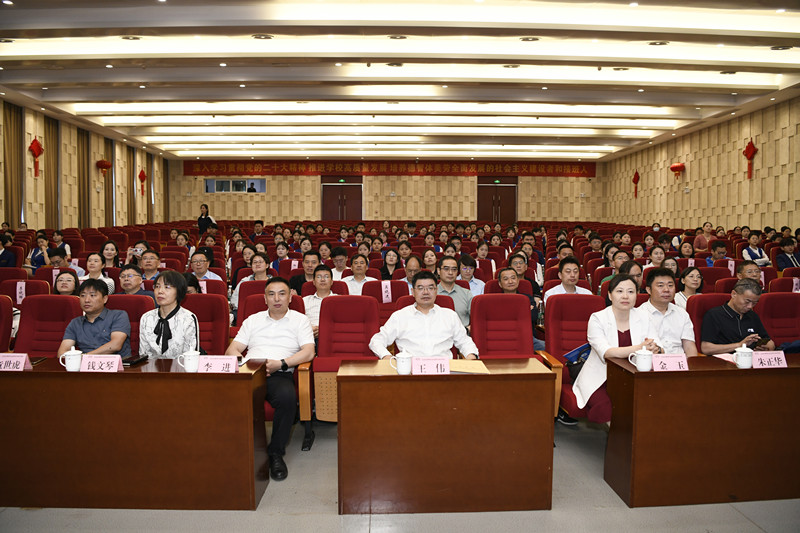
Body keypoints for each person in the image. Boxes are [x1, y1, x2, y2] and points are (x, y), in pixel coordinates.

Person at [225, 277, 315, 481]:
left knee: (287, 398)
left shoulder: (300, 320)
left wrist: (281, 364)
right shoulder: (253, 320)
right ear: (265, 298)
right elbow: (233, 349)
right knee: (225, 397)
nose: (277, 299)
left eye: (282, 294)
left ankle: (275, 453)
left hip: (279, 372)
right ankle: (235, 450)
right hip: (250, 371)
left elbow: (309, 352)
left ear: (290, 297)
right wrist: (245, 364)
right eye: (271, 294)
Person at [571, 275, 659, 424]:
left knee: (651, 404)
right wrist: (640, 347)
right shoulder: (597, 318)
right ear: (610, 295)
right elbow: (607, 352)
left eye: (631, 292)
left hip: (635, 376)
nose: (625, 296)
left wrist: (656, 348)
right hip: (601, 377)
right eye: (619, 291)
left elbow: (656, 343)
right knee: (608, 409)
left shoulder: (645, 316)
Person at [369, 270, 478, 360]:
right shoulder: (399, 316)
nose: (426, 292)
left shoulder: (450, 315)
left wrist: (471, 357)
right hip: (411, 373)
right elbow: (376, 341)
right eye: (420, 288)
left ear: (436, 290)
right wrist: (387, 357)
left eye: (430, 288)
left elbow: (465, 342)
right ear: (413, 292)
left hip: (444, 372)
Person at [58, 279, 132, 357]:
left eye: (92, 295)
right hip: (84, 363)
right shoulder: (75, 323)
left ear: (105, 299)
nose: (86, 300)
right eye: (83, 295)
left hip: (116, 363)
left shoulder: (118, 316)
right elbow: (62, 353)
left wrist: (85, 357)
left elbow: (115, 345)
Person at [700, 278, 775, 355]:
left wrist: (768, 347)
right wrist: (740, 345)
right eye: (747, 301)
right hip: (725, 359)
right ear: (734, 294)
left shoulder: (752, 315)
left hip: (751, 358)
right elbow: (706, 348)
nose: (750, 306)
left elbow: (768, 340)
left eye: (754, 303)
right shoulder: (714, 315)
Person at [139, 270, 199, 359]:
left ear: (179, 291)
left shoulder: (188, 318)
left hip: (180, 367)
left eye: (167, 287)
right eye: (157, 286)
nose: (160, 291)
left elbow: (190, 357)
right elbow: (144, 355)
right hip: (151, 367)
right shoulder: (147, 317)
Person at [640, 268, 698, 356]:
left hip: (680, 362)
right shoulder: (639, 314)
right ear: (649, 290)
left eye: (670, 285)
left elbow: (689, 347)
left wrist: (692, 363)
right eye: (660, 286)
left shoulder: (682, 313)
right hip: (652, 362)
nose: (666, 289)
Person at [498, 267, 545, 350]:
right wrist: (524, 311)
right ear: (500, 284)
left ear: (518, 280)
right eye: (506, 279)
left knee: (548, 347)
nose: (510, 281)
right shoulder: (495, 300)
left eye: (513, 278)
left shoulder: (527, 298)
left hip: (526, 337)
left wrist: (509, 313)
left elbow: (533, 316)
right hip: (503, 337)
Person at [436, 256, 472, 329]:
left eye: (454, 269)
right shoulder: (430, 293)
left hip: (462, 333)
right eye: (446, 269)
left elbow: (477, 319)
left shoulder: (466, 293)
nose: (450, 273)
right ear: (439, 271)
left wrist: (467, 330)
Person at [303, 264, 336, 339]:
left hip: (333, 337)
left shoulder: (340, 300)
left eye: (326, 277)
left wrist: (324, 329)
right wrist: (309, 330)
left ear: (332, 281)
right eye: (319, 277)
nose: (322, 280)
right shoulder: (305, 301)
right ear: (314, 282)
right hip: (310, 337)